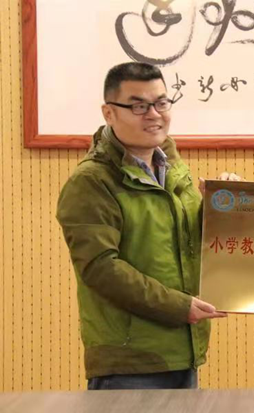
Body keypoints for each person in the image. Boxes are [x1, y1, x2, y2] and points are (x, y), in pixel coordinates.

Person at [57, 62, 240, 390]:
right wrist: (179, 307)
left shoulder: (170, 167)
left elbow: (189, 244)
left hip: (182, 350)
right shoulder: (92, 181)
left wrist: (224, 209)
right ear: (109, 113)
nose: (154, 114)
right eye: (139, 106)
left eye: (161, 103)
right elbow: (100, 267)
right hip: (128, 362)